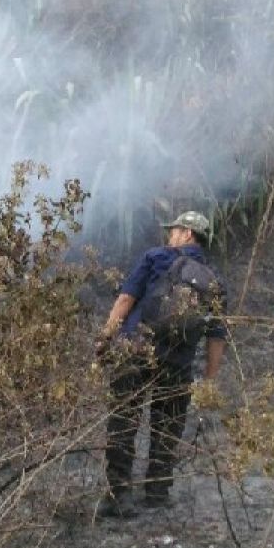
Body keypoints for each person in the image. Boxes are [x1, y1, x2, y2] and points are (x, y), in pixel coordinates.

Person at [95, 212, 227, 518]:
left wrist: (105, 339)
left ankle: (118, 496)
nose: (170, 236)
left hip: (135, 350)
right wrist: (209, 380)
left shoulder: (155, 257)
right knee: (168, 427)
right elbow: (216, 336)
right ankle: (156, 493)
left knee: (124, 423)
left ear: (187, 234)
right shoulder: (215, 280)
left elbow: (126, 299)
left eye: (175, 231)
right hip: (177, 363)